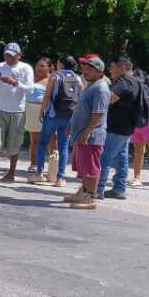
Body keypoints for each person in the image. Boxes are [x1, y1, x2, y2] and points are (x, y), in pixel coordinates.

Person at [64, 56, 110, 209]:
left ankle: (90, 198)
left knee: (91, 168)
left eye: (90, 68)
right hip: (83, 134)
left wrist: (87, 132)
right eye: (84, 67)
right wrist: (72, 124)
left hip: (92, 135)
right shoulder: (91, 85)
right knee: (85, 167)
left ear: (99, 71)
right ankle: (83, 192)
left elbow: (98, 113)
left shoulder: (100, 89)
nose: (85, 70)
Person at [29, 55, 81, 186]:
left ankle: (39, 173)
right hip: (68, 116)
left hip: (53, 114)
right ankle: (60, 177)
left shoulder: (55, 76)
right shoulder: (78, 78)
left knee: (42, 143)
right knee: (63, 145)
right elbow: (80, 99)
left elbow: (47, 96)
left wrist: (42, 111)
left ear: (61, 64)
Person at [98, 56, 142, 200]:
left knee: (104, 158)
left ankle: (97, 188)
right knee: (122, 158)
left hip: (116, 128)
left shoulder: (125, 81)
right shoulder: (134, 81)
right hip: (125, 128)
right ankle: (119, 188)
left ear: (121, 67)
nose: (110, 70)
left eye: (112, 67)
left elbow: (110, 97)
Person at [0, 43, 34, 181]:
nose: (8, 58)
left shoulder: (25, 68)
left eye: (11, 56)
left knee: (15, 143)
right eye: (6, 55)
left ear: (19, 55)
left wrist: (14, 83)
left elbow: (30, 89)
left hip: (18, 110)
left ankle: (11, 173)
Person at [24, 57, 51, 174]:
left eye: (43, 66)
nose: (39, 68)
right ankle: (34, 163)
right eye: (38, 65)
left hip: (45, 111)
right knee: (34, 140)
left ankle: (52, 165)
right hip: (31, 110)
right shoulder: (30, 78)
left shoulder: (51, 80)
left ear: (50, 68)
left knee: (49, 140)